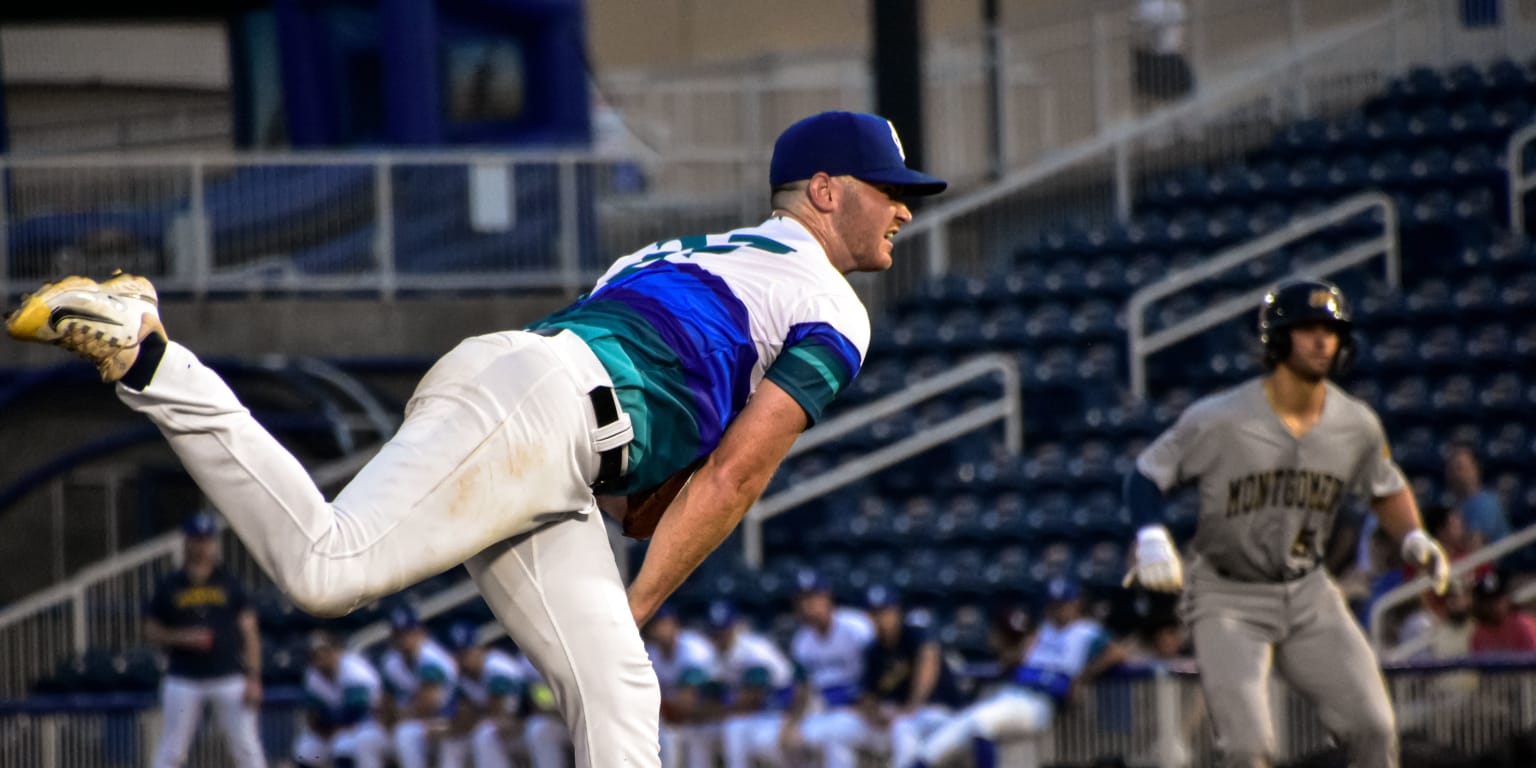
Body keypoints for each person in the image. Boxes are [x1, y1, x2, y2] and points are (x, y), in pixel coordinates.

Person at [4, 110, 946, 767]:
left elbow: (646, 453)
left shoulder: (684, 250)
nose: (905, 205)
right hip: (543, 412)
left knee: (618, 690)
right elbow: (737, 475)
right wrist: (642, 597)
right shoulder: (831, 303)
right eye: (887, 187)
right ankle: (151, 356)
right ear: (826, 191)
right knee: (326, 572)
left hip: (549, 427)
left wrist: (634, 554)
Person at [1121, 279, 1452, 768]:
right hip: (1227, 594)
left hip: (1309, 590)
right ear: (1278, 339)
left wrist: (1414, 535)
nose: (1322, 340)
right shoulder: (1221, 418)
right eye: (1307, 329)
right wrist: (1151, 535)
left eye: (1331, 330)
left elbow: (1385, 485)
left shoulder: (1355, 423)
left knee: (1374, 728)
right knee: (1248, 747)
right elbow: (1145, 475)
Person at [914, 578, 1126, 768]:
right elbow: (1013, 660)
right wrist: (1020, 649)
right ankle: (921, 762)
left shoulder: (1087, 631)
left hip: (1040, 702)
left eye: (1065, 603)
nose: (1060, 609)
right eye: (1055, 604)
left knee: (980, 723)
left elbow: (1116, 653)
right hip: (1014, 693)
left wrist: (1083, 677)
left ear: (1076, 603)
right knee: (956, 728)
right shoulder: (1043, 630)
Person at [143, 511, 266, 768]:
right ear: (187, 541)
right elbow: (151, 631)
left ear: (213, 542)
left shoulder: (230, 582)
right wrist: (183, 637)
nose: (201, 545)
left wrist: (254, 678)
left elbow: (250, 632)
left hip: (228, 675)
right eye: (196, 539)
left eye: (206, 539)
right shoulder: (170, 584)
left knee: (246, 748)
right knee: (172, 751)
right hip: (183, 676)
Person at [838, 585, 962, 768]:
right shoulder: (873, 651)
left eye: (885, 612)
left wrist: (910, 706)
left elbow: (928, 661)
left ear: (897, 611)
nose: (880, 619)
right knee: (841, 730)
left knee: (903, 727)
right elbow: (869, 696)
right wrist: (876, 713)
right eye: (874, 614)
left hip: (941, 711)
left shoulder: (914, 634)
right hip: (901, 717)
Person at [706, 601, 796, 768]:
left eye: (724, 630)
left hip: (780, 708)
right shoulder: (714, 655)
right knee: (732, 728)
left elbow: (752, 699)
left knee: (762, 743)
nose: (720, 636)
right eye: (716, 632)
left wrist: (718, 709)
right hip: (756, 713)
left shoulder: (754, 651)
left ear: (735, 627)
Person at [293, 630, 390, 768]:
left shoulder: (354, 669)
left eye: (324, 651)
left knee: (343, 745)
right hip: (335, 730)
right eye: (314, 654)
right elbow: (314, 717)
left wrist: (329, 723)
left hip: (370, 725)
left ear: (336, 651)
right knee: (306, 749)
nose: (320, 657)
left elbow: (355, 714)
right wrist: (327, 726)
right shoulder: (312, 676)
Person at [380, 605, 458, 768]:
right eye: (399, 634)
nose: (404, 639)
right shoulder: (391, 662)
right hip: (417, 722)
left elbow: (427, 706)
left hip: (448, 718)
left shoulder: (432, 658)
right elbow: (385, 705)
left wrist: (399, 713)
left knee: (406, 734)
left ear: (420, 633)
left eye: (408, 633)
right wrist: (395, 715)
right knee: (365, 737)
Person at [441, 621, 526, 768]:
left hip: (522, 727)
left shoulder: (497, 666)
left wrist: (471, 718)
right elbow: (459, 718)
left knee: (485, 734)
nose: (463, 660)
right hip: (498, 730)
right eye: (459, 655)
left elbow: (498, 711)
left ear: (479, 649)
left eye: (466, 653)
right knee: (453, 742)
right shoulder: (461, 677)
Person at [643, 605, 719, 768]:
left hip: (714, 715)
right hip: (681, 720)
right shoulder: (650, 653)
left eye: (664, 623)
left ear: (674, 624)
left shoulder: (694, 649)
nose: (660, 629)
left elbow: (687, 702)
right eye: (655, 625)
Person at [1444, 442, 1509, 548]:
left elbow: (1476, 547)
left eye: (1460, 468)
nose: (1455, 474)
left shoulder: (1485, 502)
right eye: (1451, 469)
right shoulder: (1456, 505)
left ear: (1475, 469)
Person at [1469, 569, 1536, 654]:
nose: (1492, 605)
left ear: (1507, 599)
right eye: (1487, 601)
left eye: (1497, 600)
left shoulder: (1523, 625)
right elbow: (1478, 663)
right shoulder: (1480, 632)